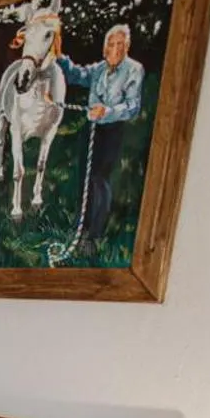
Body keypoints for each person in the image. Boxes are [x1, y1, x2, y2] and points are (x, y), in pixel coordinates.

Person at [56, 24, 144, 251]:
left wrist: (108, 111)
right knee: (84, 177)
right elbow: (75, 74)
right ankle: (80, 227)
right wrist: (58, 55)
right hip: (92, 128)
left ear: (127, 48)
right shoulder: (99, 69)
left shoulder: (134, 70)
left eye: (119, 45)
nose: (114, 49)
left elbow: (133, 106)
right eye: (111, 44)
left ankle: (94, 235)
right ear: (105, 49)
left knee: (99, 178)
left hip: (112, 129)